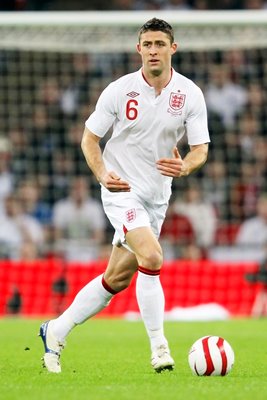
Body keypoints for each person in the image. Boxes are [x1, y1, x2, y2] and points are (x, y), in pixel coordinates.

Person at [39, 17, 210, 374]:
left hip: (157, 198)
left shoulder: (190, 94)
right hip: (122, 192)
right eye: (146, 44)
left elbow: (200, 149)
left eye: (159, 44)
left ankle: (55, 330)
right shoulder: (119, 90)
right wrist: (103, 174)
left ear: (172, 49)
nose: (152, 50)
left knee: (116, 278)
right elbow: (89, 138)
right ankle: (159, 348)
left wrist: (186, 167)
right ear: (138, 49)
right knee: (152, 256)